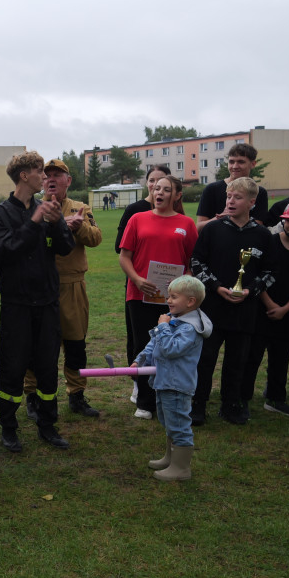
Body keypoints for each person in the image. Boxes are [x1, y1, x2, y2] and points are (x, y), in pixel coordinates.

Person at [0, 151, 74, 452]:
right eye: (40, 171)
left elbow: (65, 247)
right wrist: (36, 222)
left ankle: (47, 425)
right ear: (24, 176)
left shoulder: (46, 208)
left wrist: (57, 223)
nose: (45, 177)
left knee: (48, 368)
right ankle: (8, 428)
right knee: (12, 369)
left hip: (47, 304)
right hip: (17, 306)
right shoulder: (0, 214)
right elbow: (9, 248)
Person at [191, 177, 274, 425]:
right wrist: (216, 287)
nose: (231, 201)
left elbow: (271, 272)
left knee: (237, 360)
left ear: (252, 202)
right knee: (205, 359)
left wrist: (249, 291)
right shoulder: (213, 229)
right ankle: (198, 404)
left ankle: (230, 405)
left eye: (237, 197)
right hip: (212, 307)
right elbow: (196, 262)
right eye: (229, 196)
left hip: (244, 309)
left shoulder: (262, 235)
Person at [24, 159, 103, 419]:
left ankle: (76, 394)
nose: (51, 179)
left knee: (75, 343)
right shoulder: (32, 208)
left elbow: (96, 238)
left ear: (68, 181)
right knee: (36, 344)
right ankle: (32, 395)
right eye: (47, 175)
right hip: (40, 286)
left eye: (58, 175)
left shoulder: (80, 208)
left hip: (71, 285)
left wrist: (79, 228)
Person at [118, 175, 198, 419]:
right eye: (156, 188)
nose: (159, 192)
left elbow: (192, 261)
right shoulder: (137, 219)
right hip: (140, 294)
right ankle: (145, 401)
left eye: (166, 189)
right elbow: (124, 256)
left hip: (174, 299)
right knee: (144, 346)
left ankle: (169, 397)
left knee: (171, 347)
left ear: (177, 195)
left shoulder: (186, 224)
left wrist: (183, 285)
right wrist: (137, 280)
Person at [242, 196, 289, 418]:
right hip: (261, 309)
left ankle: (276, 399)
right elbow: (256, 275)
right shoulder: (270, 243)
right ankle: (242, 398)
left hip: (287, 314)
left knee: (281, 357)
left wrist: (286, 308)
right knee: (252, 356)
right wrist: (269, 303)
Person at [132, 275, 212, 481]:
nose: (168, 300)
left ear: (190, 301)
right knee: (169, 421)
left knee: (178, 425)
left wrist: (163, 327)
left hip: (177, 384)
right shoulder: (173, 319)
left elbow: (170, 349)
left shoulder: (189, 328)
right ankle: (171, 459)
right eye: (169, 296)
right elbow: (154, 343)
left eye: (174, 297)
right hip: (164, 381)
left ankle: (181, 468)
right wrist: (140, 360)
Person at [117, 165, 170, 406]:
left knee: (167, 338)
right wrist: (139, 276)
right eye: (152, 181)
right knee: (139, 338)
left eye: (162, 183)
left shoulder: (179, 216)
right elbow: (121, 249)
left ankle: (164, 388)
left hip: (168, 289)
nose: (156, 187)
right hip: (140, 286)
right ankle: (140, 386)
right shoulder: (135, 212)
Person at [195, 143, 269, 230]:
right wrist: (220, 218)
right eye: (231, 162)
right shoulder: (212, 189)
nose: (235, 166)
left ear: (253, 164)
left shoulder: (259, 192)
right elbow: (198, 228)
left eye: (241, 162)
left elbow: (258, 228)